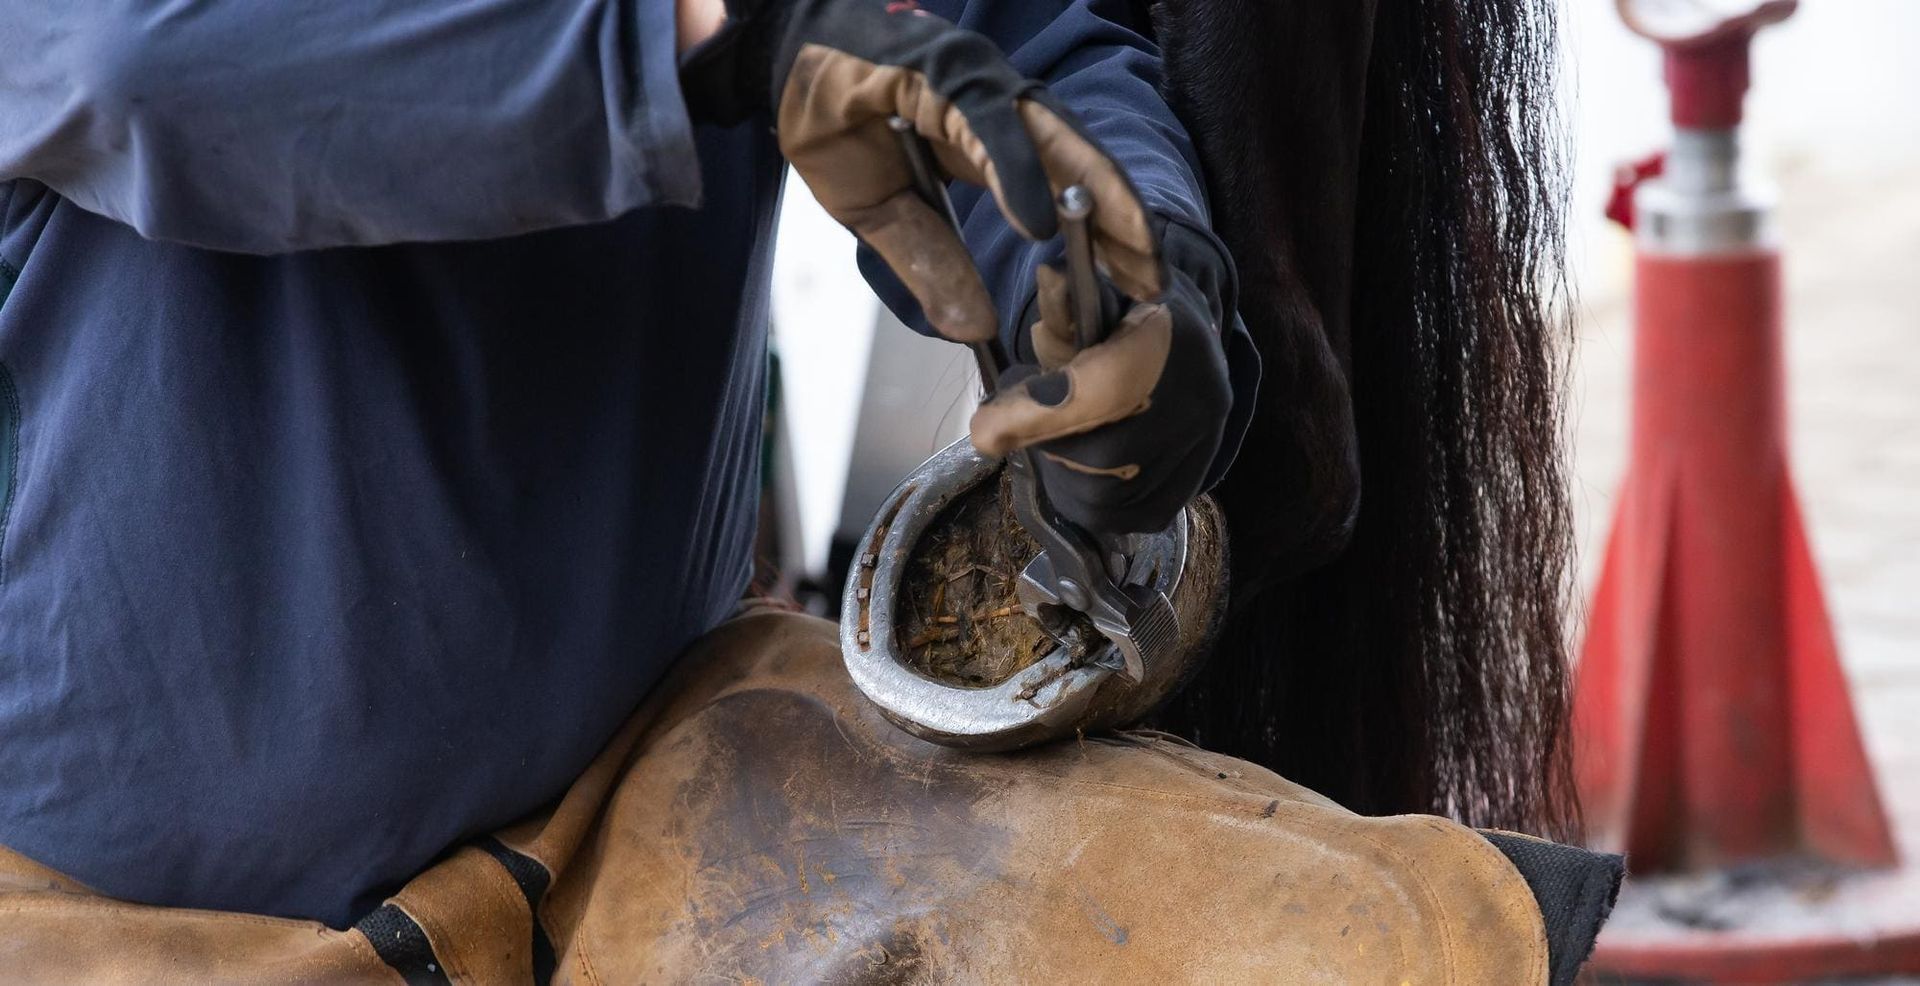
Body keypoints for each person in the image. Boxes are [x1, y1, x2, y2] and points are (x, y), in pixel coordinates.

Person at [0, 0, 1617, 981]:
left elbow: (1003, 36)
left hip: (619, 825)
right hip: (86, 904)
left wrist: (1127, 250)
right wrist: (723, 39)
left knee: (1397, 935)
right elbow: (135, 53)